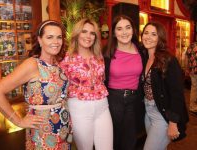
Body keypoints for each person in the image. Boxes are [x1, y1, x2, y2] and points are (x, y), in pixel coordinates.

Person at [0, 20, 72, 150]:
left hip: (63, 127)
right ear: (40, 40)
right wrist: (18, 121)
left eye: (59, 37)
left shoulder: (57, 63)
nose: (56, 41)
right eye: (49, 37)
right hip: (43, 130)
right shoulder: (32, 64)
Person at [60, 18, 113, 150]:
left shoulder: (99, 56)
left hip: (102, 106)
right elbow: (60, 87)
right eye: (84, 31)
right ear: (77, 34)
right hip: (79, 108)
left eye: (92, 33)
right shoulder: (66, 58)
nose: (88, 36)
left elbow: (102, 80)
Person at [141, 22, 189, 150]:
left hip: (162, 114)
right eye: (146, 33)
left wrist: (173, 122)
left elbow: (177, 93)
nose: (148, 37)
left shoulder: (168, 60)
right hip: (148, 112)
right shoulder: (144, 57)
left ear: (159, 38)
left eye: (153, 34)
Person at [103, 15, 145, 150]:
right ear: (114, 33)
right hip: (113, 100)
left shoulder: (141, 50)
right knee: (112, 138)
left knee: (130, 139)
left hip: (134, 100)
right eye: (119, 29)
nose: (124, 32)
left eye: (128, 27)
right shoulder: (107, 52)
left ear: (133, 29)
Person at [185, 42, 197, 114]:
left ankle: (193, 106)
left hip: (192, 71)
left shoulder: (191, 46)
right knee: (194, 88)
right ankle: (192, 107)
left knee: (194, 88)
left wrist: (186, 68)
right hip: (194, 71)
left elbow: (186, 58)